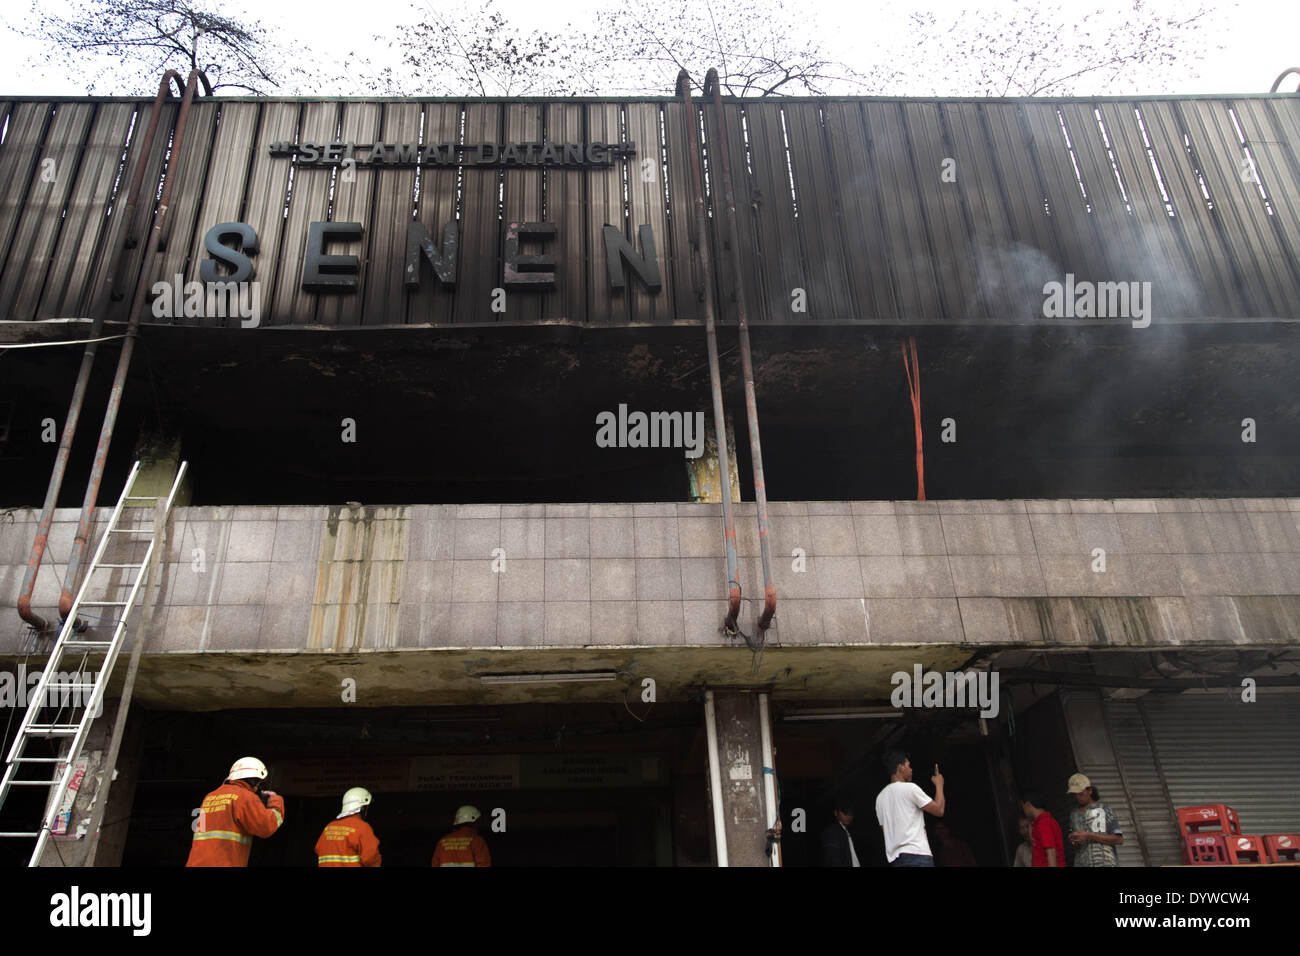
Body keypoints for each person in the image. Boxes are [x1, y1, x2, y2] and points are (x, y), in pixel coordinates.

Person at [186, 756, 285, 867]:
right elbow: (266, 827)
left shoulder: (209, 797)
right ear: (254, 781)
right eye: (259, 783)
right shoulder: (246, 797)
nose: (258, 788)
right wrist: (275, 802)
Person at [875, 750, 945, 867]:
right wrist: (939, 785)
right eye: (908, 765)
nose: (911, 769)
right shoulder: (910, 788)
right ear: (900, 767)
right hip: (917, 855)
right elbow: (939, 810)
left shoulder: (880, 798)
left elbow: (885, 830)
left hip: (896, 860)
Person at [1066, 773, 1123, 867]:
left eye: (1080, 793)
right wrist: (1073, 840)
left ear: (1090, 791)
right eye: (1074, 795)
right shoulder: (1074, 814)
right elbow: (1074, 846)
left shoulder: (1104, 809)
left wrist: (1088, 835)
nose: (1077, 797)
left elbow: (1119, 840)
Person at [315, 786, 382, 867]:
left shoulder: (328, 828)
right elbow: (371, 858)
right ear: (363, 808)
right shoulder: (362, 827)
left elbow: (318, 850)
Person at [1020, 791, 1064, 867]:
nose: (1023, 811)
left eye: (1023, 807)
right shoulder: (1041, 822)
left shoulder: (1044, 823)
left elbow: (1051, 853)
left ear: (1027, 805)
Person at [820, 802, 861, 867]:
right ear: (836, 813)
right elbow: (833, 859)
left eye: (851, 814)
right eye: (845, 813)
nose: (849, 817)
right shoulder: (832, 831)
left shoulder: (848, 830)